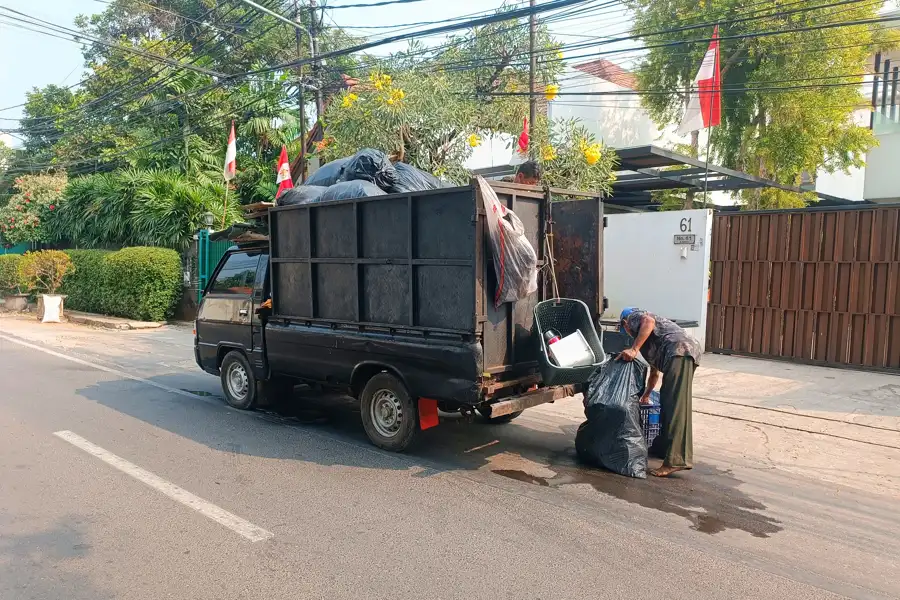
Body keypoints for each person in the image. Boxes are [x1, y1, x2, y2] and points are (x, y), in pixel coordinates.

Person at [617, 307, 701, 477]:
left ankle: (677, 460)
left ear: (626, 324)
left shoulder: (635, 318)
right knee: (668, 401)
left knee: (676, 407)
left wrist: (633, 349)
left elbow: (648, 321)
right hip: (680, 354)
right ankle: (662, 448)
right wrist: (647, 394)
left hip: (680, 352)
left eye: (624, 328)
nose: (627, 331)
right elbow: (655, 372)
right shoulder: (650, 339)